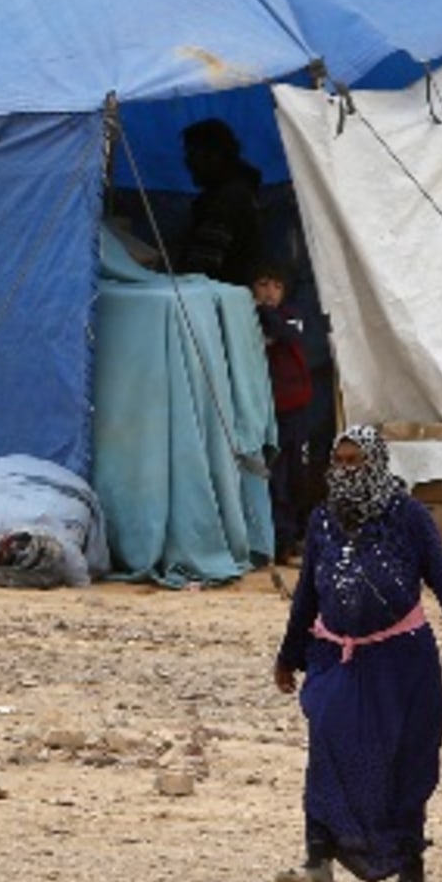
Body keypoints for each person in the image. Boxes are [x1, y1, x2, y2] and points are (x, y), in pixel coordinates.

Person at [273, 426, 442, 882]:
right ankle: (318, 861)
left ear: (377, 462)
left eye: (357, 461)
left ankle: (409, 863)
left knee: (404, 758)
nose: (348, 471)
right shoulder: (322, 521)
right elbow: (308, 595)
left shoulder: (410, 517)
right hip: (336, 656)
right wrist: (289, 655)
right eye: (341, 462)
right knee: (327, 746)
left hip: (401, 659)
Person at [252, 263, 313, 562]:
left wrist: (266, 312)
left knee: (297, 477)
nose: (269, 292)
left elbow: (287, 334)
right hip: (268, 413)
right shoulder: (247, 320)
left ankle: (293, 538)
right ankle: (279, 543)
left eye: (276, 286)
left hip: (296, 411)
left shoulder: (291, 317)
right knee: (275, 479)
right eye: (263, 284)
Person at [175, 118, 263, 287]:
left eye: (193, 154)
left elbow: (203, 266)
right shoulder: (240, 192)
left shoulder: (225, 202)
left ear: (215, 156)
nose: (188, 162)